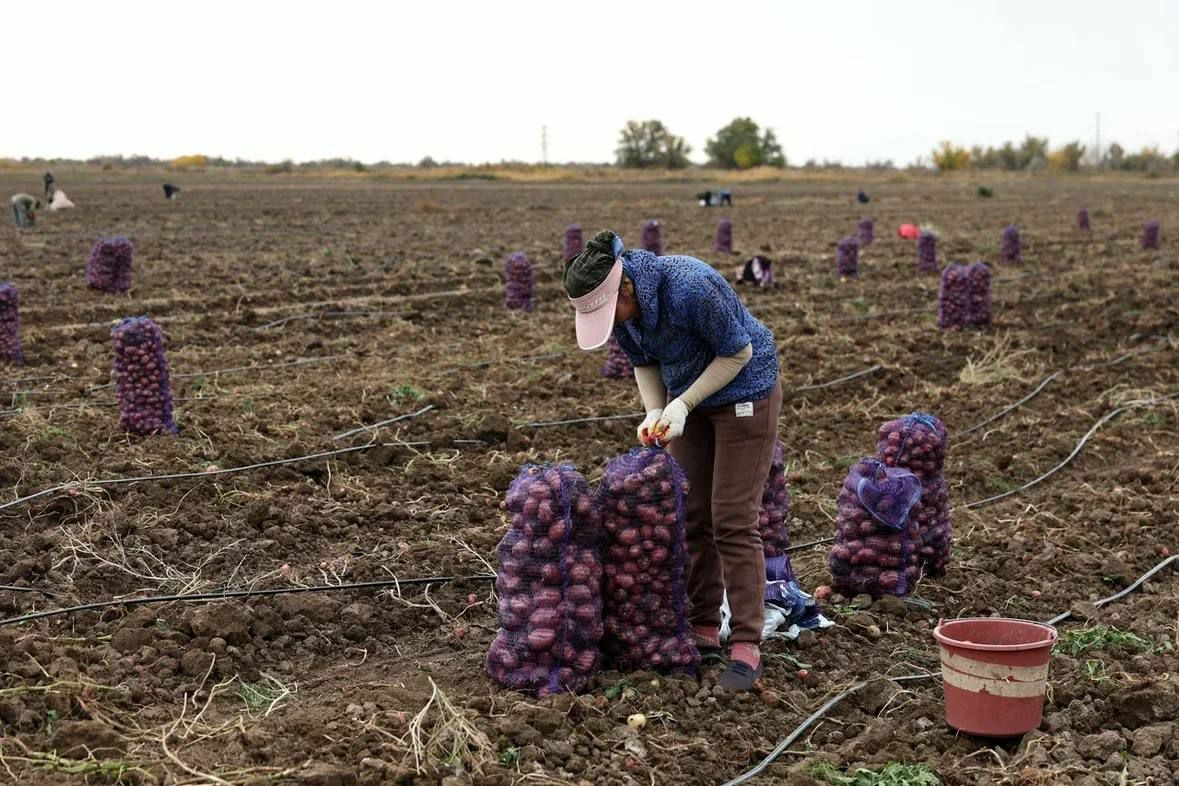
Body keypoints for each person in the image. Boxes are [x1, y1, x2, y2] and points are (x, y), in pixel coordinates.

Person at [564, 230, 782, 691]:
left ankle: (747, 642)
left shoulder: (690, 285)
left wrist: (682, 404)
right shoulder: (625, 311)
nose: (615, 323)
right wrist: (656, 410)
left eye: (612, 312)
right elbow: (643, 361)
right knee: (694, 515)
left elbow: (737, 352)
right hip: (690, 398)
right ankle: (703, 626)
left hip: (745, 392)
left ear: (624, 288)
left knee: (732, 519)